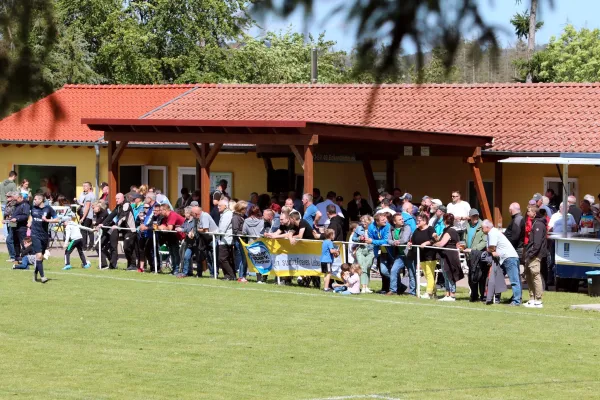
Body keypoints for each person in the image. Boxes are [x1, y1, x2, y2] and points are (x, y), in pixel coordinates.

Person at [481, 219, 521, 306]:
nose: (481, 229)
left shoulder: (492, 233)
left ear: (487, 227)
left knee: (514, 280)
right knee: (497, 278)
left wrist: (489, 250)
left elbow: (492, 248)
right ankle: (497, 299)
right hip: (505, 258)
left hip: (509, 258)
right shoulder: (492, 232)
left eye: (482, 228)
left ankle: (516, 301)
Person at [100, 193, 137, 270]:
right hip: (124, 230)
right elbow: (112, 215)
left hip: (130, 230)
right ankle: (130, 265)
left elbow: (123, 216)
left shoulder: (126, 205)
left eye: (118, 198)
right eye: (116, 198)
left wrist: (116, 225)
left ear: (123, 198)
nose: (116, 200)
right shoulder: (118, 206)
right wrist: (102, 223)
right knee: (127, 248)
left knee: (127, 247)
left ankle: (133, 264)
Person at [432, 213, 464, 301]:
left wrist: (433, 244)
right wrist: (436, 238)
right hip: (445, 255)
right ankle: (447, 294)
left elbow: (442, 243)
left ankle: (452, 295)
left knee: (450, 274)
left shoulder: (450, 230)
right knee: (446, 274)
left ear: (444, 220)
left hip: (449, 255)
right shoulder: (447, 230)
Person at [30, 193, 59, 283]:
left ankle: (35, 273)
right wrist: (29, 223)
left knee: (41, 257)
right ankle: (43, 277)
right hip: (35, 235)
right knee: (38, 255)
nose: (34, 201)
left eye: (35, 199)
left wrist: (47, 220)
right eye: (34, 199)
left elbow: (57, 219)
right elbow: (30, 217)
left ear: (40, 200)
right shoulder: (33, 208)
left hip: (44, 236)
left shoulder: (48, 208)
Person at [381, 213, 411, 296]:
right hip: (399, 255)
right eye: (400, 219)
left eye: (402, 219)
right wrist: (393, 242)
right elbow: (388, 240)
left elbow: (405, 239)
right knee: (393, 270)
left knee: (411, 273)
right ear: (394, 222)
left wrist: (398, 242)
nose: (402, 220)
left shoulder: (407, 227)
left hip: (408, 254)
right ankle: (393, 290)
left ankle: (413, 292)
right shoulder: (391, 229)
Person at [409, 214, 437, 299]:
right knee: (426, 274)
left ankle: (428, 293)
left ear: (425, 221)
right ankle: (434, 292)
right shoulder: (416, 230)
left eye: (419, 220)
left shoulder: (430, 229)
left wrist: (426, 243)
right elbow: (413, 240)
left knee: (429, 273)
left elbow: (434, 239)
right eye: (417, 220)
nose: (417, 222)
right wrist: (410, 243)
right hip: (421, 255)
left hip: (430, 255)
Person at [524, 205, 547, 309]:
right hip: (530, 254)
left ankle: (538, 300)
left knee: (535, 275)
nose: (527, 213)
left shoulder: (538, 224)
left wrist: (531, 254)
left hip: (535, 255)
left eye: (529, 211)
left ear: (534, 213)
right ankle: (532, 298)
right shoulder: (534, 223)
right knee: (528, 276)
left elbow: (537, 243)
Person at [464, 209, 488, 302]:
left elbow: (484, 241)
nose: (475, 218)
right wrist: (463, 246)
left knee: (481, 276)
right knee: (471, 276)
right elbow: (465, 239)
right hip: (469, 256)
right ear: (470, 217)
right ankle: (474, 296)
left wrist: (473, 250)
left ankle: (483, 296)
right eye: (473, 216)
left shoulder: (483, 225)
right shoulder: (468, 226)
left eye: (476, 216)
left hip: (479, 255)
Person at [365, 213, 391, 293]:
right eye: (383, 220)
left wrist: (373, 241)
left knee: (386, 270)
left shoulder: (388, 226)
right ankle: (385, 289)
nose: (385, 221)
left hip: (389, 251)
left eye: (385, 219)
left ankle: (394, 286)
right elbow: (370, 239)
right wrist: (374, 242)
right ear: (377, 221)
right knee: (382, 271)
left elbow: (386, 240)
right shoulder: (371, 227)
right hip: (378, 252)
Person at [158, 203, 185, 275]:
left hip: (183, 236)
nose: (160, 212)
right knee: (172, 253)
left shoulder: (172, 215)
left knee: (176, 253)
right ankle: (174, 269)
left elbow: (169, 228)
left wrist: (163, 227)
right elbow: (162, 225)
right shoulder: (165, 217)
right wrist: (161, 227)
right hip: (173, 236)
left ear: (165, 210)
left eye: (161, 210)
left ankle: (177, 269)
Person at [351, 215, 375, 293]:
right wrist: (359, 238)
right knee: (363, 267)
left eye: (365, 221)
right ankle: (363, 287)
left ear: (369, 221)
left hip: (370, 249)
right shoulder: (359, 228)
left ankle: (367, 286)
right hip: (360, 249)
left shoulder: (373, 228)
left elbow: (377, 238)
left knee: (368, 268)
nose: (363, 223)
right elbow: (353, 238)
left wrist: (372, 240)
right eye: (362, 221)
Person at [217, 199, 236, 280]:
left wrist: (215, 232)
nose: (218, 207)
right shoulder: (225, 214)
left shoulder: (227, 214)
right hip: (224, 239)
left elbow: (222, 229)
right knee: (226, 258)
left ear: (225, 206)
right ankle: (228, 275)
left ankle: (231, 275)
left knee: (222, 258)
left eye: (219, 206)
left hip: (225, 240)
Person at [177, 207, 199, 278]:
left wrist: (183, 230)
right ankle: (185, 273)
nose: (184, 214)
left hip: (196, 243)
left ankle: (199, 273)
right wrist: (179, 228)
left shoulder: (195, 221)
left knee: (199, 258)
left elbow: (192, 230)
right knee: (186, 257)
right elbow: (183, 227)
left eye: (186, 212)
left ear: (190, 213)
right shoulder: (185, 221)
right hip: (189, 243)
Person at [76, 181, 96, 251]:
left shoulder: (88, 196)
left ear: (90, 187)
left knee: (83, 230)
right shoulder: (93, 195)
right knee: (90, 230)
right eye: (83, 186)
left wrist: (83, 217)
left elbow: (87, 207)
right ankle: (91, 245)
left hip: (87, 215)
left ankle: (84, 246)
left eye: (85, 186)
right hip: (91, 215)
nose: (84, 187)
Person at [1, 171, 18, 250]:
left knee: (4, 221)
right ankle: (10, 237)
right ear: (14, 176)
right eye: (15, 177)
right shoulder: (13, 184)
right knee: (11, 219)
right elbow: (15, 195)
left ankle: (6, 236)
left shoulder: (2, 183)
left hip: (2, 203)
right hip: (10, 204)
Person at [232, 201, 248, 282]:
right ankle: (241, 276)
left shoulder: (244, 216)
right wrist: (244, 233)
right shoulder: (236, 217)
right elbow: (235, 230)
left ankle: (243, 275)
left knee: (245, 258)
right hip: (239, 240)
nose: (246, 210)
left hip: (244, 240)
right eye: (244, 208)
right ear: (240, 209)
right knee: (243, 258)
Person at [11, 192, 30, 263]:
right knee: (15, 242)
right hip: (15, 226)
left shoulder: (25, 205)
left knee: (24, 243)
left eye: (16, 200)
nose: (15, 201)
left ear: (20, 197)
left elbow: (25, 216)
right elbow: (14, 214)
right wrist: (10, 219)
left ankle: (26, 257)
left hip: (21, 227)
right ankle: (17, 257)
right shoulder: (17, 205)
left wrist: (17, 218)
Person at [92, 201, 110, 269]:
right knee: (101, 248)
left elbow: (98, 222)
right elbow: (95, 223)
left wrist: (95, 224)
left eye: (94, 208)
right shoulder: (97, 213)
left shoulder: (104, 212)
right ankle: (108, 263)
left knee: (98, 247)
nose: (93, 210)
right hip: (104, 232)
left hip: (110, 232)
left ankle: (106, 264)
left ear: (98, 206)